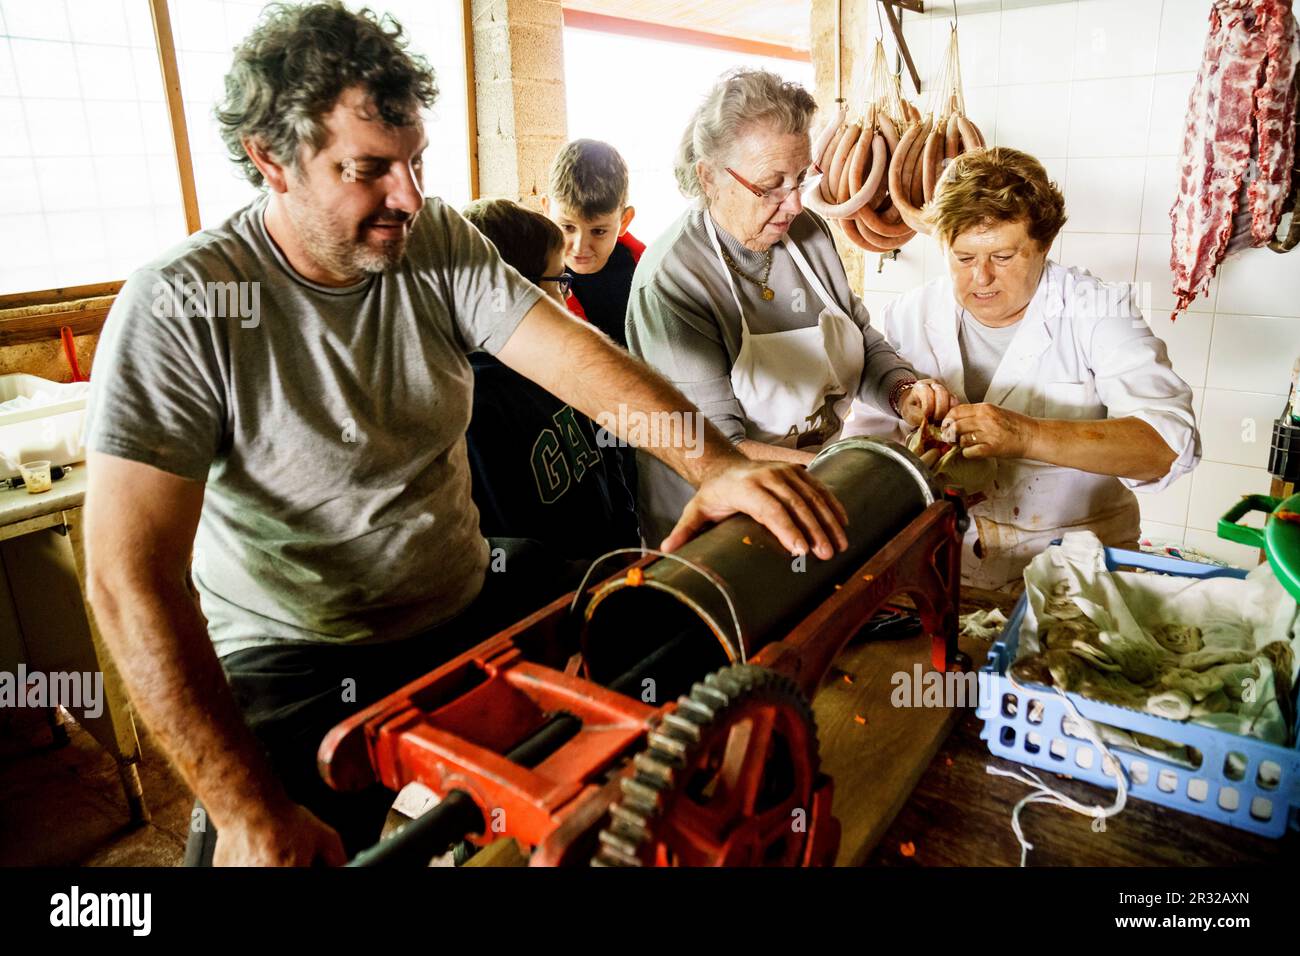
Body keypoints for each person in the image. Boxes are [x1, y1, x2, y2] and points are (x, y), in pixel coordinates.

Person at [80, 3, 849, 866]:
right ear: (271, 159)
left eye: (416, 162)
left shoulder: (431, 237)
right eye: (368, 169)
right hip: (295, 651)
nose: (407, 195)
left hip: (459, 597)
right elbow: (127, 579)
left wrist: (717, 467)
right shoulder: (183, 305)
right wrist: (243, 812)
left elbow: (575, 360)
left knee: (669, 620)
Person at [626, 68, 954, 545]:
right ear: (709, 177)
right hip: (716, 531)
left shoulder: (808, 234)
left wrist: (903, 391)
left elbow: (856, 336)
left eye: (800, 178)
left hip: (811, 493)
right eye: (771, 185)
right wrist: (867, 466)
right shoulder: (674, 281)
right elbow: (720, 447)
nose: (795, 203)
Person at [848, 147, 1200, 590]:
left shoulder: (1097, 309)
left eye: (1002, 257)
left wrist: (1026, 436)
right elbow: (868, 446)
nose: (981, 278)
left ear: (1044, 245)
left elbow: (1167, 445)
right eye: (963, 257)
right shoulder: (908, 314)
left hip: (1078, 575)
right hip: (945, 569)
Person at [461, 198, 639, 559]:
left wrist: (626, 543)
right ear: (518, 294)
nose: (566, 295)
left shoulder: (562, 366)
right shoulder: (475, 408)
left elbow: (609, 459)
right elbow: (508, 540)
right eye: (560, 281)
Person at [542, 139, 643, 348]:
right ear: (546, 209)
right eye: (568, 227)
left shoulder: (650, 273)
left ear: (624, 220)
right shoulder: (526, 279)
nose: (580, 247)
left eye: (598, 231)